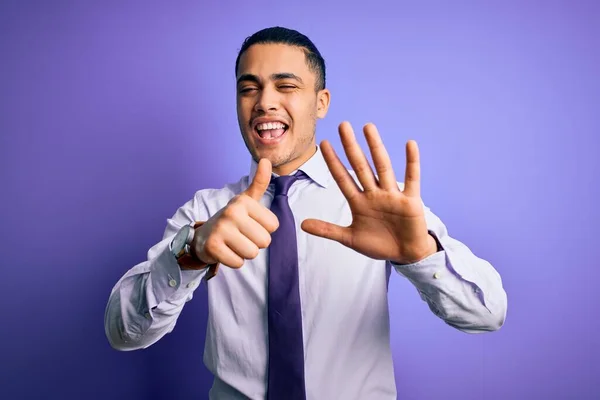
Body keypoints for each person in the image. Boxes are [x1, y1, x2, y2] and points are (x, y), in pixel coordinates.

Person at [104, 26, 507, 399]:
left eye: (286, 85)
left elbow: (487, 313)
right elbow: (123, 333)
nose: (264, 102)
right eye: (249, 89)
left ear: (321, 103)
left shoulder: (381, 202)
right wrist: (190, 252)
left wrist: (420, 253)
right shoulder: (206, 212)